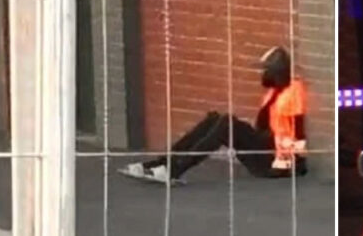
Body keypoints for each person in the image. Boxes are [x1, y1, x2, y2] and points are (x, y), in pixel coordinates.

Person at [122, 46, 308, 184]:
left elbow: (297, 133)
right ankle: (160, 164)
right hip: (265, 151)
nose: (263, 74)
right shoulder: (274, 92)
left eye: (266, 70)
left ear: (277, 72)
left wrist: (292, 165)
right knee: (215, 118)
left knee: (227, 124)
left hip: (276, 163)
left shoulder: (292, 93)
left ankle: (174, 171)